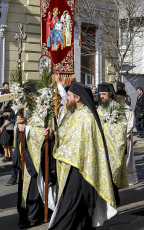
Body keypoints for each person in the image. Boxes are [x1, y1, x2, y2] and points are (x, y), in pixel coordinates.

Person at [46, 82, 118, 229]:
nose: (66, 98)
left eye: (69, 96)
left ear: (77, 98)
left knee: (68, 209)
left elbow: (78, 147)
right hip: (70, 167)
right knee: (79, 211)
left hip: (80, 170)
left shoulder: (87, 118)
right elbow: (64, 136)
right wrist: (52, 135)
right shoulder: (73, 115)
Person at [15, 82, 55, 229]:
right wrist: (18, 125)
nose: (26, 99)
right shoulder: (25, 108)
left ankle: (32, 217)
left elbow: (46, 133)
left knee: (33, 188)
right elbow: (19, 129)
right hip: (24, 154)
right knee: (23, 189)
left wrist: (26, 129)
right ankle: (24, 215)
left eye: (28, 96)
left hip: (36, 157)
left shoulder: (43, 110)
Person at [97, 83, 131, 189]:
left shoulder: (117, 107)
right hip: (101, 144)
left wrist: (105, 127)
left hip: (112, 146)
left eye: (104, 94)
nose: (101, 96)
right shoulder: (100, 107)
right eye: (100, 94)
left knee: (111, 174)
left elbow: (123, 126)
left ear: (110, 94)